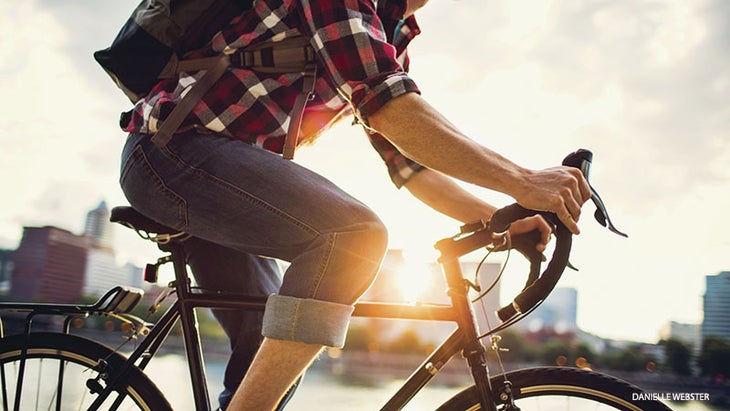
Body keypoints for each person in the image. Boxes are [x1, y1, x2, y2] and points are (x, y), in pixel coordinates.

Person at [117, 0, 591, 409]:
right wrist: (524, 181)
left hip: (224, 179)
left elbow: (410, 166)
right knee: (352, 238)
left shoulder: (389, 29)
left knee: (276, 348)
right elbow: (391, 108)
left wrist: (500, 220)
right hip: (172, 154)